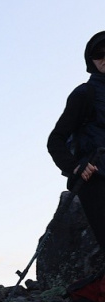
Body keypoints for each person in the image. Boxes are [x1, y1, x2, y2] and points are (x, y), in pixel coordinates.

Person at [48, 31, 105, 250]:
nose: (104, 58)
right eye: (98, 55)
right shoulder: (85, 93)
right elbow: (55, 140)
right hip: (95, 180)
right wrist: (75, 166)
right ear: (91, 62)